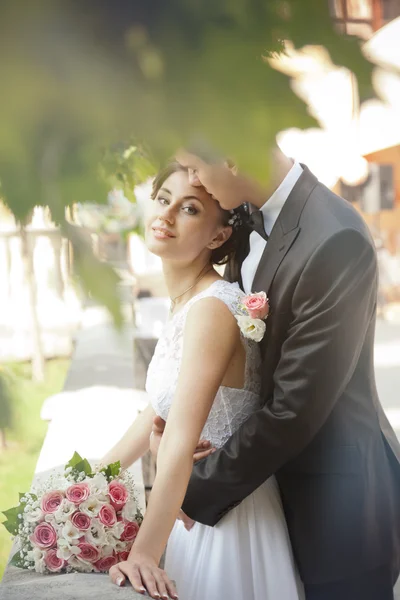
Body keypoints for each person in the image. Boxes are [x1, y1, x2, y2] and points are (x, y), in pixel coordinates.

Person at [150, 149, 400, 600]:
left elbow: (293, 409)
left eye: (194, 167)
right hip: (261, 503)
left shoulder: (335, 238)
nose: (192, 179)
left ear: (229, 158)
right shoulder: (245, 219)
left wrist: (188, 490)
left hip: (335, 518)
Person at [103, 160, 304, 599]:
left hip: (228, 522)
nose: (167, 214)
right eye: (162, 200)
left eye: (189, 208)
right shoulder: (186, 305)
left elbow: (179, 435)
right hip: (189, 509)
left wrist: (143, 554)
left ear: (218, 236)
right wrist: (77, 488)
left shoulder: (212, 309)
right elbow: (153, 416)